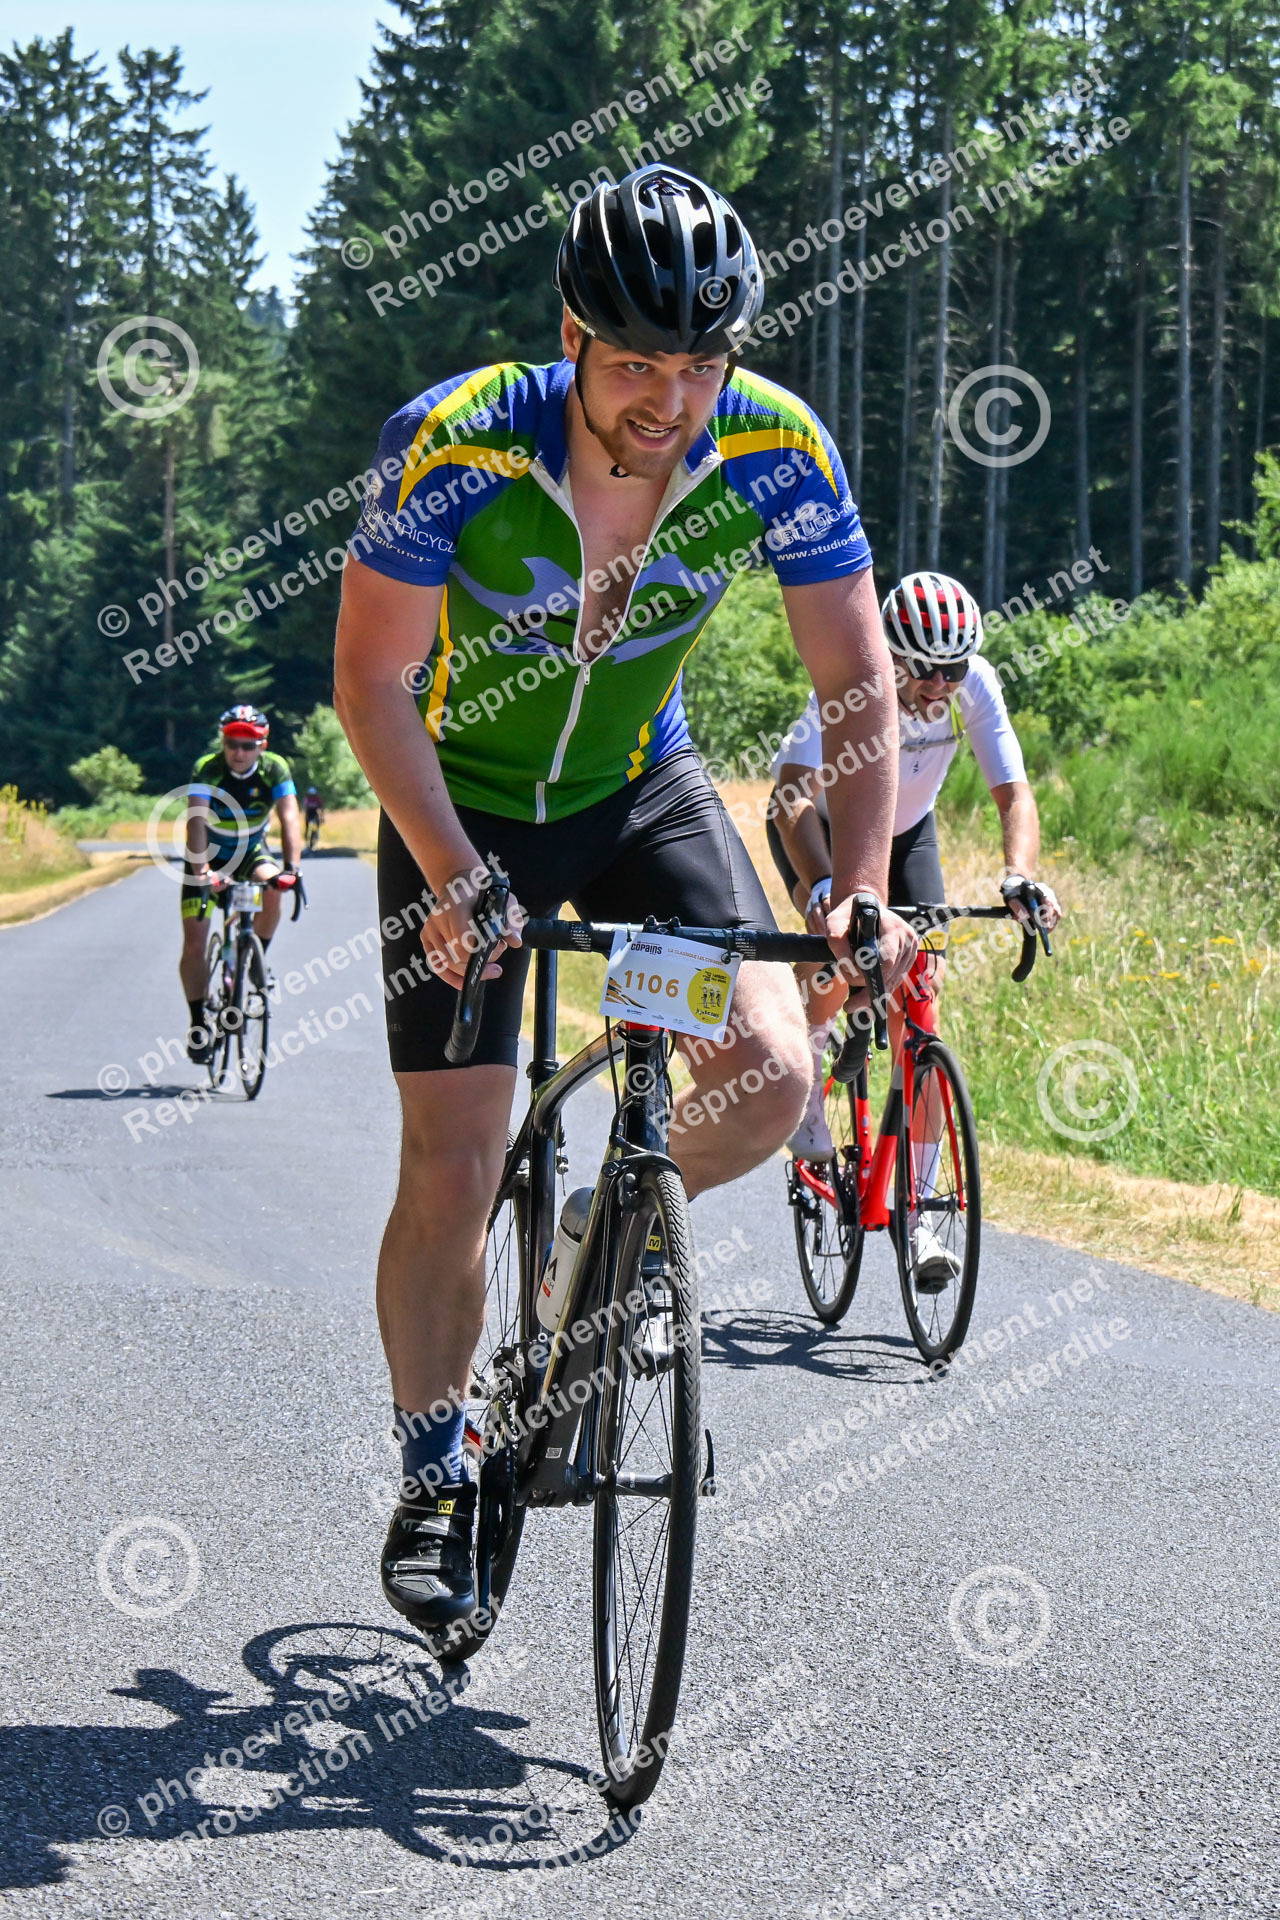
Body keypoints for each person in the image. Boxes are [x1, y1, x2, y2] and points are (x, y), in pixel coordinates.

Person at [333, 163, 918, 1640]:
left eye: (701, 363)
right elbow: (372, 681)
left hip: (639, 785)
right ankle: (435, 1467)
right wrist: (451, 872)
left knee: (773, 1074)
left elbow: (855, 684)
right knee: (454, 1163)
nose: (671, 398)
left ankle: (605, 1220)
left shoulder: (776, 448)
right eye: (638, 363)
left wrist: (857, 889)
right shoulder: (456, 441)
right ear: (572, 338)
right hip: (461, 803)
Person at [768, 569, 1062, 1190]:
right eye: (925, 668)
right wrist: (822, 886)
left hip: (907, 836)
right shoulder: (856, 676)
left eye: (954, 668)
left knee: (924, 1002)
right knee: (834, 950)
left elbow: (1014, 795)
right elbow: (791, 794)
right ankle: (807, 1083)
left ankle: (923, 1199)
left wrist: (1020, 876)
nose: (940, 684)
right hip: (823, 833)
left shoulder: (974, 685)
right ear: (890, 653)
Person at [181, 706, 302, 1063]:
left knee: (275, 886)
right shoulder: (208, 768)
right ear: (223, 742)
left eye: (248, 745)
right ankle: (198, 1021)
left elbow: (289, 816)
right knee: (194, 943)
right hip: (208, 855)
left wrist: (292, 869)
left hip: (250, 852)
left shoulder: (274, 768)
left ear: (262, 746)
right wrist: (203, 872)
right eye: (232, 743)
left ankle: (252, 956)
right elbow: (196, 822)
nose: (239, 752)